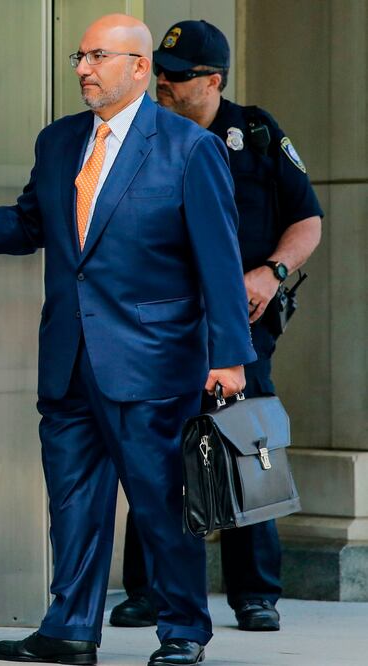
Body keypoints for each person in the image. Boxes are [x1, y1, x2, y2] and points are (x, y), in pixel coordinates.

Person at [0, 14, 254, 666]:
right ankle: (70, 629)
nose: (82, 68)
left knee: (162, 502)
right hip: (69, 358)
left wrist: (230, 359)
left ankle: (184, 630)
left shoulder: (188, 148)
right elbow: (26, 225)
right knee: (72, 504)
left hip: (154, 361)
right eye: (79, 55)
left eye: (98, 56)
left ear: (137, 67)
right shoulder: (58, 143)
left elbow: (219, 260)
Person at [109, 19, 324, 634]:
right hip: (165, 322)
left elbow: (307, 220)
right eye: (163, 74)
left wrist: (271, 272)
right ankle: (149, 589)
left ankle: (255, 591)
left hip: (240, 322)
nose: (166, 87)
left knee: (246, 441)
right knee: (157, 446)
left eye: (178, 77)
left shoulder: (254, 134)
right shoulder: (147, 138)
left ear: (214, 80)